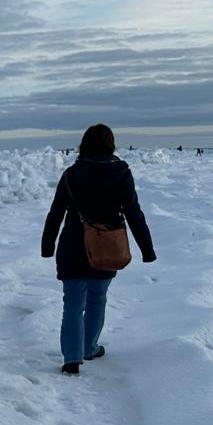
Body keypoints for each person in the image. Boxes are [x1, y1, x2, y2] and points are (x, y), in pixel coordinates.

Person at [41, 123, 156, 375]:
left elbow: (56, 213)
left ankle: (72, 358)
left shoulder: (71, 174)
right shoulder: (121, 172)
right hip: (107, 245)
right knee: (97, 297)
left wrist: (47, 246)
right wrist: (147, 249)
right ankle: (88, 348)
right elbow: (134, 212)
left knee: (72, 303)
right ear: (110, 144)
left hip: (73, 244)